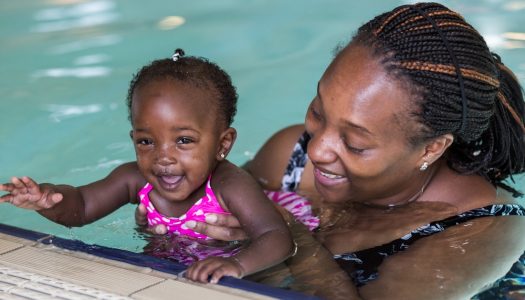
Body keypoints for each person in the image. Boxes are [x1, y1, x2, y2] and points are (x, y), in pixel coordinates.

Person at [137, 3, 525, 299]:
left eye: (355, 143)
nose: (318, 149)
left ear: (433, 147)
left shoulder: (479, 232)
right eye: (318, 111)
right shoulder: (288, 155)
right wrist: (171, 221)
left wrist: (286, 236)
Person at [0, 49, 294, 284]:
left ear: (222, 144)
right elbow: (83, 206)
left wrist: (236, 265)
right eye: (146, 142)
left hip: (231, 284)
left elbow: (275, 236)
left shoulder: (229, 185)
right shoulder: (136, 178)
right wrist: (46, 199)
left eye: (183, 140)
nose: (162, 157)